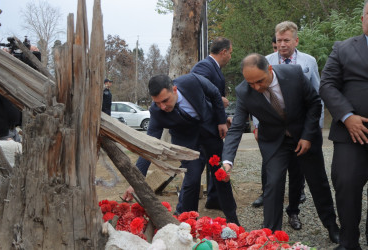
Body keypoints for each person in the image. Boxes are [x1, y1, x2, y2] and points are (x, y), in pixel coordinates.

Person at [221, 53, 339, 242]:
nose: (256, 87)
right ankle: (270, 235)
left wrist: (308, 136)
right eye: (251, 83)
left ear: (269, 69)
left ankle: (332, 226)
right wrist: (227, 160)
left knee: (318, 182)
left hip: (304, 136)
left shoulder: (294, 74)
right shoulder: (244, 91)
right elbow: (235, 128)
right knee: (273, 184)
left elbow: (314, 104)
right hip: (275, 142)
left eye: (259, 81)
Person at [122, 73, 240, 225]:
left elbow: (215, 94)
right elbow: (149, 146)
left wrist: (221, 121)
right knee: (192, 181)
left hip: (211, 133)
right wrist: (135, 182)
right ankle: (188, 224)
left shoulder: (192, 81)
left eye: (165, 100)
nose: (163, 107)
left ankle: (233, 220)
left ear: (175, 89)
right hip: (186, 144)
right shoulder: (157, 112)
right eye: (157, 103)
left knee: (221, 176)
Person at [252, 22, 322, 225]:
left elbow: (317, 95)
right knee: (273, 170)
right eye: (279, 40)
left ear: (295, 40)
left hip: (301, 129)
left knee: (297, 172)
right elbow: (258, 99)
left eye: (286, 40)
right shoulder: (265, 61)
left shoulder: (309, 61)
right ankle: (271, 215)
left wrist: (314, 128)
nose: (282, 44)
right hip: (273, 130)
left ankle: (293, 211)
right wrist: (256, 125)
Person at [319, 1, 368, 249]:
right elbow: (326, 85)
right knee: (346, 185)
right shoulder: (343, 48)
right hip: (352, 135)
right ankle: (349, 242)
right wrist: (348, 116)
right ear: (363, 19)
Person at [190, 37, 232, 210]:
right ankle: (188, 207)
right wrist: (220, 101)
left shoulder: (214, 67)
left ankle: (215, 199)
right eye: (230, 52)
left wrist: (223, 117)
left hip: (214, 125)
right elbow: (197, 92)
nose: (230, 56)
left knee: (215, 162)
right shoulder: (203, 66)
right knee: (199, 166)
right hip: (203, 128)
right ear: (223, 52)